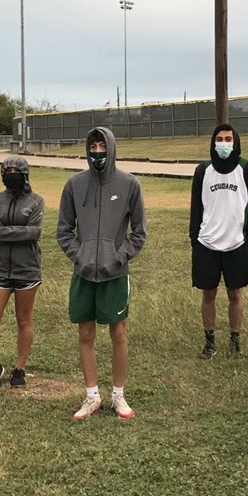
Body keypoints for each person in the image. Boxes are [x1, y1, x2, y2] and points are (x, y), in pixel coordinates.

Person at [56, 127, 146, 420]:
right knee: (85, 332)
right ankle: (91, 395)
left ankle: (118, 395)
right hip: (83, 273)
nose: (97, 152)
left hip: (115, 274)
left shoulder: (129, 184)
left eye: (102, 146)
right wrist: (79, 255)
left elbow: (139, 233)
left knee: (118, 332)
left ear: (111, 148)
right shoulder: (74, 184)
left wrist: (119, 257)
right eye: (93, 146)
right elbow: (64, 231)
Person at [189, 122, 248, 359]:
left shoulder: (247, 168)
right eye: (220, 139)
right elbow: (196, 208)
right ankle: (209, 343)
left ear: (236, 142)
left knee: (235, 294)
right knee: (208, 294)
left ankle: (234, 342)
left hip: (236, 244)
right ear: (213, 142)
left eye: (229, 139)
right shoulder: (203, 170)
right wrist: (194, 239)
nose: (224, 143)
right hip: (207, 243)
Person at [0, 156, 45, 388]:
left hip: (27, 270)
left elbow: (34, 233)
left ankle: (20, 368)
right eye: (7, 170)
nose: (12, 174)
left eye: (16, 171)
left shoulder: (36, 201)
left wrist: (7, 231)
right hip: (0, 269)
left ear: (25, 174)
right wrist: (21, 230)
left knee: (23, 319)